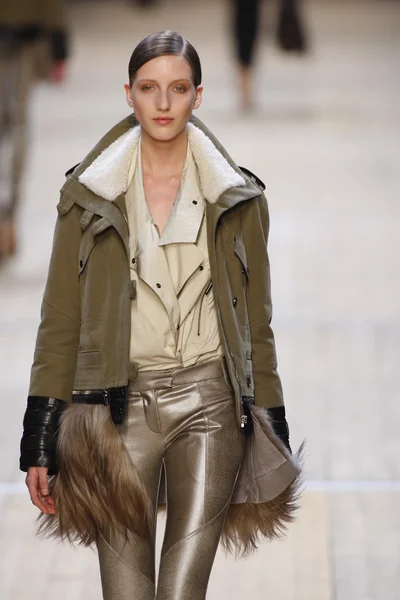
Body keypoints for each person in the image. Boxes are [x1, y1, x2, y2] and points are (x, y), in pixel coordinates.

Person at [19, 31, 301, 600]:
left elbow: (256, 328)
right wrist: (39, 439)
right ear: (129, 95)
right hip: (117, 412)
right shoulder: (88, 197)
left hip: (210, 407)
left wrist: (273, 425)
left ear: (199, 96)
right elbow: (60, 322)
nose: (164, 103)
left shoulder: (239, 201)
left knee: (181, 592)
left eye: (178, 89)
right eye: (150, 88)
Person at [0, 0, 68, 259]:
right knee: (18, 123)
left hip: (24, 34)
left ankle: (6, 212)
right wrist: (59, 39)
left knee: (14, 125)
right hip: (25, 31)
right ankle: (8, 211)